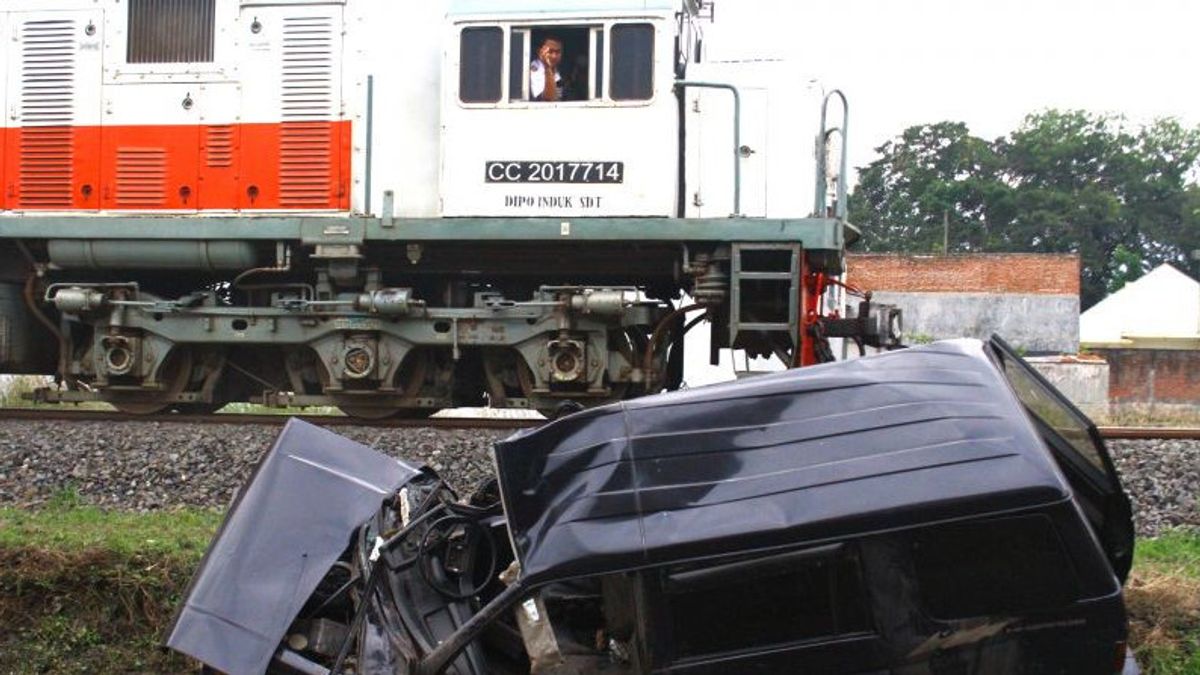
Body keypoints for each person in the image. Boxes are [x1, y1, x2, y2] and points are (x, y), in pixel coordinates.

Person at [529, 36, 563, 101]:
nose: (554, 56)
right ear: (540, 52)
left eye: (558, 52)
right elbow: (548, 98)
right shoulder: (535, 67)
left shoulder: (562, 68)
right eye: (550, 51)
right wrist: (547, 67)